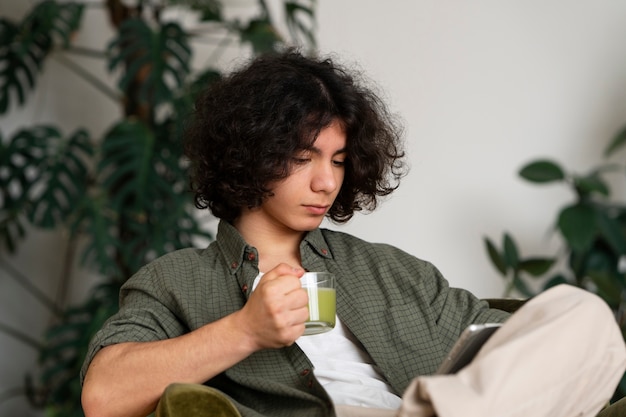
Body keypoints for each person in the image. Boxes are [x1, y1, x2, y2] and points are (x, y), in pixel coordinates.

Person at [80, 50, 626, 417]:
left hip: (443, 405)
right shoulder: (179, 281)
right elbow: (102, 396)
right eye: (303, 157)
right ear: (248, 153)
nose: (327, 181)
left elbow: (506, 344)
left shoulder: (386, 268)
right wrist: (245, 331)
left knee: (584, 315)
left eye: (339, 160)